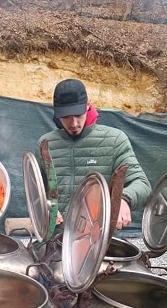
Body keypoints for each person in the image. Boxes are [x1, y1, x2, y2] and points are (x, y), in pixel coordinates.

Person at [36, 79, 151, 230]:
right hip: (57, 239)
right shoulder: (45, 144)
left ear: (88, 105)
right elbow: (37, 191)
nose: (74, 123)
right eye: (66, 117)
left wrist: (123, 200)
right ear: (56, 113)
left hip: (98, 241)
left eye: (78, 114)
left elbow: (142, 184)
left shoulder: (114, 140)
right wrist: (45, 205)